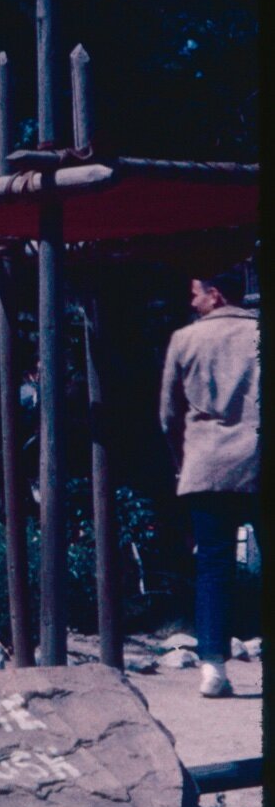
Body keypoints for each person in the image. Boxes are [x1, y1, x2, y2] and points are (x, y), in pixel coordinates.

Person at [160, 265, 259, 698]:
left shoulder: (185, 339)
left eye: (195, 294)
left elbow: (167, 413)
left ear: (216, 295)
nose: (192, 301)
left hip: (207, 468)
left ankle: (213, 666)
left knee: (213, 567)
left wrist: (184, 459)